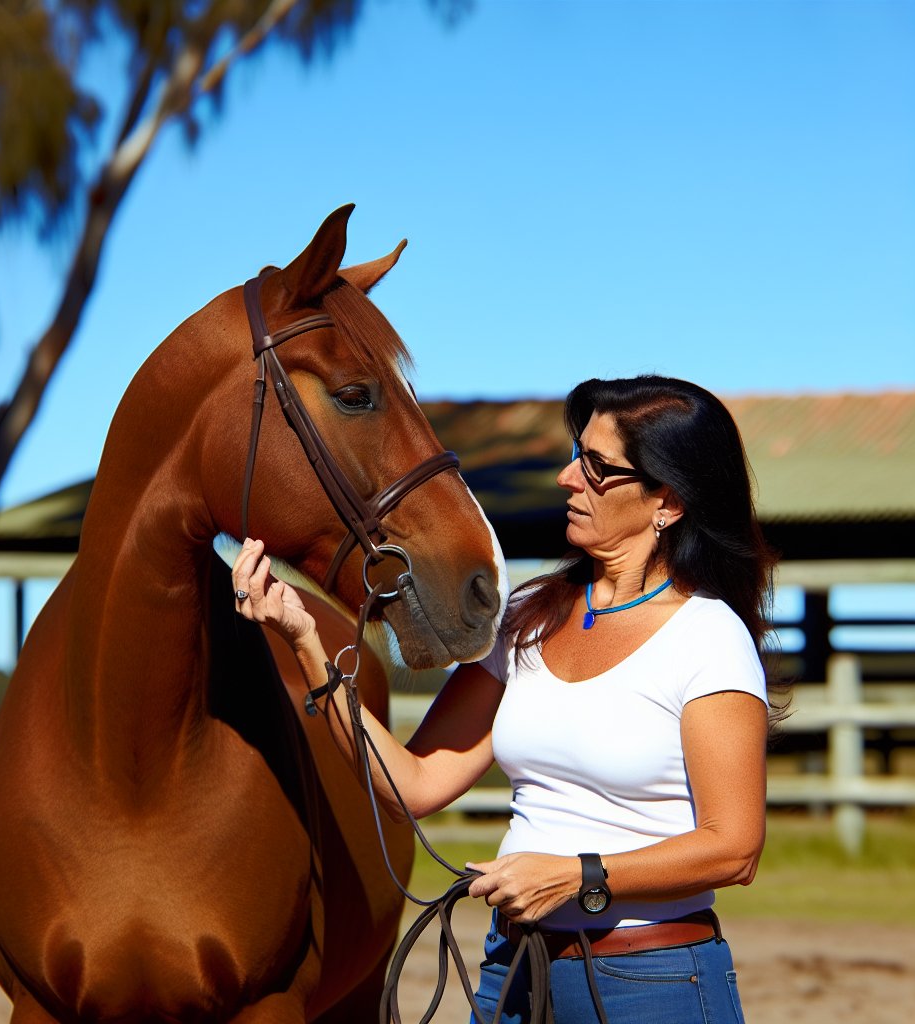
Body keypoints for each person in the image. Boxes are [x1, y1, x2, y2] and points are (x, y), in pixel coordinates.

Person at [231, 374, 780, 1024]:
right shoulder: (525, 616)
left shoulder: (707, 638)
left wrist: (577, 876)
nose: (567, 478)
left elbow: (734, 848)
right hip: (513, 970)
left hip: (651, 981)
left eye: (597, 467)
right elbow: (416, 783)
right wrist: (305, 644)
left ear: (668, 500)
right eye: (578, 454)